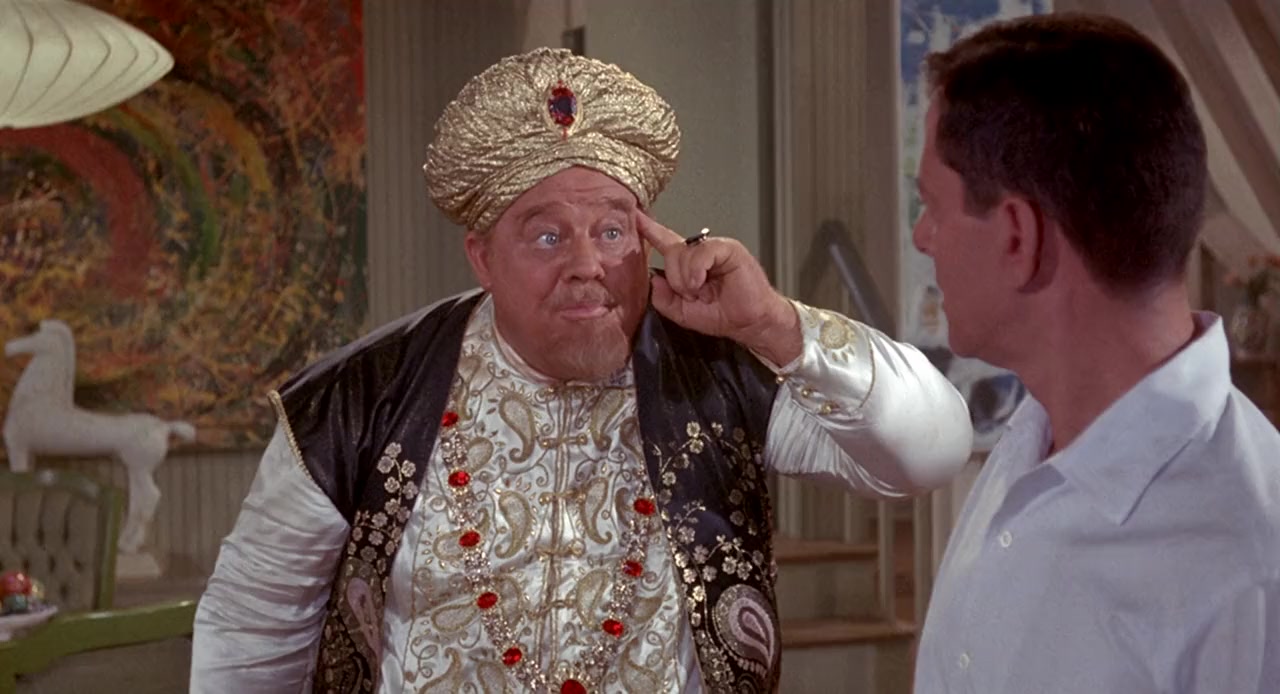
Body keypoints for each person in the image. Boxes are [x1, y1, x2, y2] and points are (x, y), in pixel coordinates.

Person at [192, 47, 973, 694]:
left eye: (611, 231)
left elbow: (930, 451)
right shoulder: (361, 399)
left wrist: (774, 323)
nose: (587, 265)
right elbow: (253, 627)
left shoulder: (719, 370)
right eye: (546, 237)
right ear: (481, 257)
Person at [912, 13, 1280, 693]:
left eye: (933, 206)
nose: (921, 237)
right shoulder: (1031, 445)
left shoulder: (1251, 570)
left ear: (1017, 236)